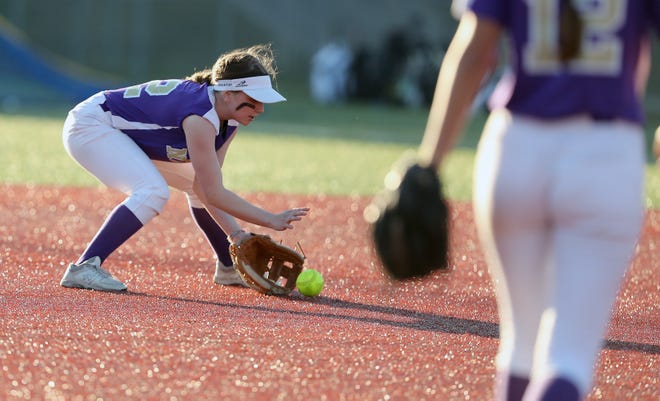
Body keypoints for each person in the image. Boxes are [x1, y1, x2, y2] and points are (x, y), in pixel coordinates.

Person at [413, 1, 659, 400]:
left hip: (516, 147)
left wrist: (429, 163)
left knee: (521, 343)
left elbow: (475, 52)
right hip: (605, 151)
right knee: (569, 358)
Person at [60, 44, 309, 292]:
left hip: (118, 131)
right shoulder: (201, 117)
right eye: (253, 100)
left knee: (193, 184)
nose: (261, 109)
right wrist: (269, 219)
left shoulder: (228, 118)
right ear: (228, 93)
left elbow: (205, 187)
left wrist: (237, 236)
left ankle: (227, 266)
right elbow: (213, 192)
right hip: (91, 126)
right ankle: (84, 267)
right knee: (152, 190)